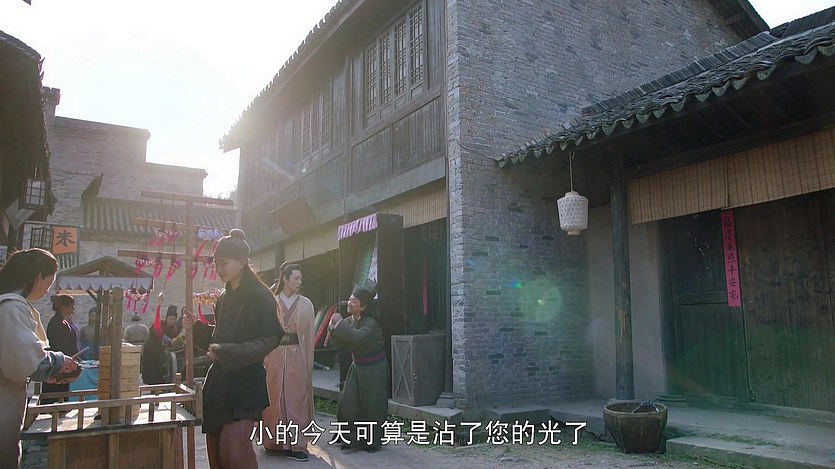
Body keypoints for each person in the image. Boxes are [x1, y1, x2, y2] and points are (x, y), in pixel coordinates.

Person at [182, 228, 284, 469]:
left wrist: (225, 351)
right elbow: (220, 337)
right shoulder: (224, 298)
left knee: (234, 452)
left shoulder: (260, 296)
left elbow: (269, 338)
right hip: (220, 384)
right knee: (217, 453)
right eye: (217, 263)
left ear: (242, 262)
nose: (219, 269)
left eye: (224, 263)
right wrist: (196, 328)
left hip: (246, 383)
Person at [0, 249, 79, 468]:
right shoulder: (11, 307)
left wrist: (47, 370)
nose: (47, 290)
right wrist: (59, 362)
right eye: (48, 282)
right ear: (37, 277)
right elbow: (26, 360)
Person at [262, 263, 315, 461]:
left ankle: (297, 445)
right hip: (274, 354)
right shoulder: (271, 302)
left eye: (301, 279)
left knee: (296, 397)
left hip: (297, 353)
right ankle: (273, 442)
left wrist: (308, 360)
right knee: (273, 396)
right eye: (296, 278)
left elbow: (309, 335)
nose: (299, 282)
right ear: (285, 279)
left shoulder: (306, 304)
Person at [328, 279, 387, 453]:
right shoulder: (348, 321)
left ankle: (372, 441)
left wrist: (338, 324)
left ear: (363, 307)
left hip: (374, 368)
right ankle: (351, 438)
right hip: (357, 366)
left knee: (372, 405)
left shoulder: (371, 324)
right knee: (349, 402)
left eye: (354, 301)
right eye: (350, 299)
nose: (349, 302)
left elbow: (355, 338)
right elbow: (340, 343)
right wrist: (332, 328)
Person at [42, 295, 80, 404]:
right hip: (58, 367)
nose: (73, 309)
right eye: (71, 306)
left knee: (61, 397)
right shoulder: (56, 323)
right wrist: (67, 360)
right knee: (53, 399)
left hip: (62, 365)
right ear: (64, 307)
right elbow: (59, 346)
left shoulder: (62, 322)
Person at [141, 306, 180, 385]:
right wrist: (169, 341)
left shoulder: (174, 329)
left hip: (161, 354)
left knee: (160, 374)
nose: (172, 321)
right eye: (170, 319)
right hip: (151, 352)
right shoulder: (159, 324)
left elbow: (174, 341)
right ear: (166, 318)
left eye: (174, 319)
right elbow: (159, 334)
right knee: (151, 373)